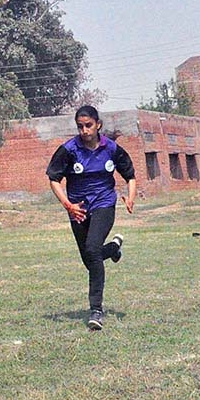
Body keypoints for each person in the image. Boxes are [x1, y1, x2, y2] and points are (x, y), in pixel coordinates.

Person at [46, 105, 137, 330]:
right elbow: (54, 179)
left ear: (98, 125)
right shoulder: (68, 150)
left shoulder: (112, 149)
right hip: (78, 208)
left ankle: (96, 310)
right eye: (80, 126)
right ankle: (114, 249)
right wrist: (68, 205)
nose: (85, 130)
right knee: (89, 258)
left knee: (93, 249)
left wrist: (130, 197)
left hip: (105, 204)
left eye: (88, 125)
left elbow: (130, 176)